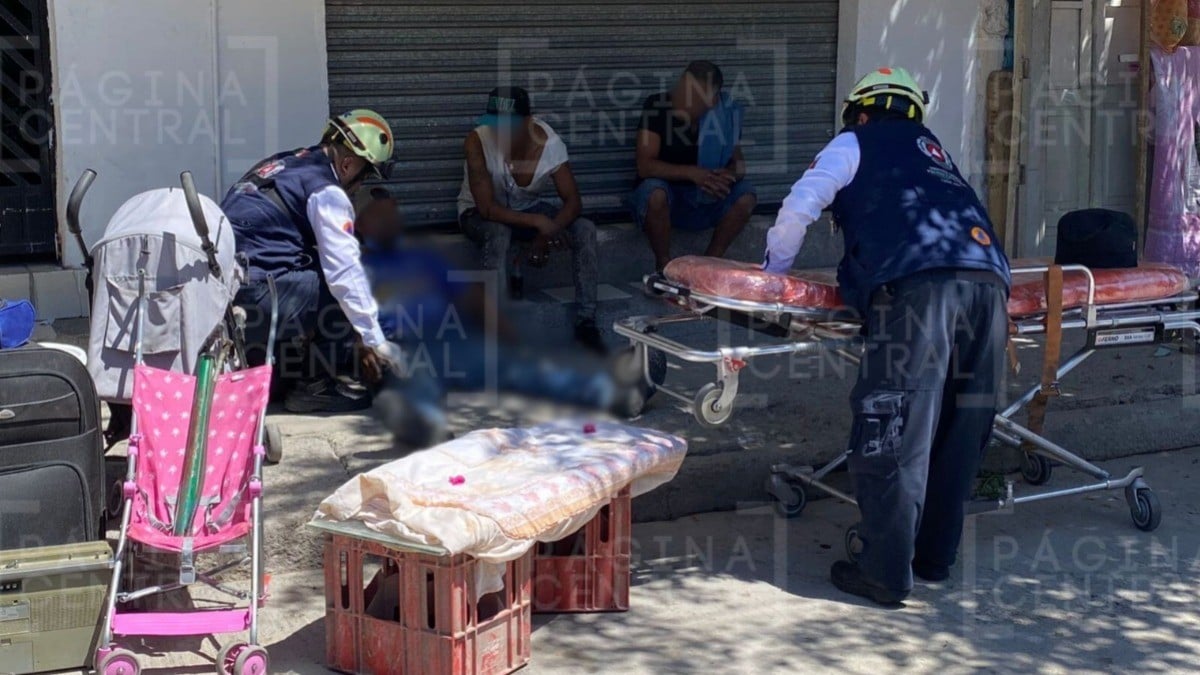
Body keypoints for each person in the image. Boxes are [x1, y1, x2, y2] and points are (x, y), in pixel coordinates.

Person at [762, 67, 1012, 605]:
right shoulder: (937, 155)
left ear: (861, 111)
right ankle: (933, 560)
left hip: (920, 288)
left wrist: (772, 282)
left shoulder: (853, 142)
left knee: (896, 423)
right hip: (991, 287)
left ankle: (884, 572)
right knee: (961, 426)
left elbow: (796, 211)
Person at [356, 189, 623, 446]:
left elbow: (473, 300)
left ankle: (614, 389)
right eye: (382, 213)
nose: (393, 219)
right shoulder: (353, 269)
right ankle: (415, 416)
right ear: (362, 222)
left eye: (393, 210)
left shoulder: (420, 258)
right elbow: (351, 320)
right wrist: (365, 346)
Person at [222, 109, 403, 413]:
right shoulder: (327, 191)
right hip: (256, 297)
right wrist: (374, 338)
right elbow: (344, 271)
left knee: (311, 267)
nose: (358, 188)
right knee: (348, 277)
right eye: (363, 177)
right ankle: (314, 386)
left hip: (226, 296)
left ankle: (287, 372)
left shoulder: (285, 163)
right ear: (347, 164)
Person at [457, 86, 604, 353]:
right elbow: (487, 209)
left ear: (528, 122)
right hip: (477, 214)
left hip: (528, 211)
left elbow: (573, 201)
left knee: (584, 228)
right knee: (499, 233)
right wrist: (537, 222)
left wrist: (546, 233)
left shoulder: (550, 144)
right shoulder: (476, 141)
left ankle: (586, 322)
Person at [629, 60, 757, 272]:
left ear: (712, 101)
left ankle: (707, 267)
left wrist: (724, 176)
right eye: (682, 91)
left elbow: (740, 165)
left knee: (747, 196)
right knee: (655, 193)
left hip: (707, 199)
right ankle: (665, 267)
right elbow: (644, 166)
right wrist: (693, 173)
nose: (683, 99)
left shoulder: (723, 116)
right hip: (669, 201)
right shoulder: (658, 106)